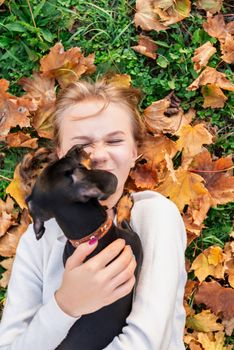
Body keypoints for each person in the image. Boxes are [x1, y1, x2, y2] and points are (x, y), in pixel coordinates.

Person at [0, 77, 187, 350]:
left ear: (134, 151)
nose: (98, 155)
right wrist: (65, 304)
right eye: (82, 146)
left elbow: (147, 341)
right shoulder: (39, 239)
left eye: (114, 140)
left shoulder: (155, 216)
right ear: (62, 155)